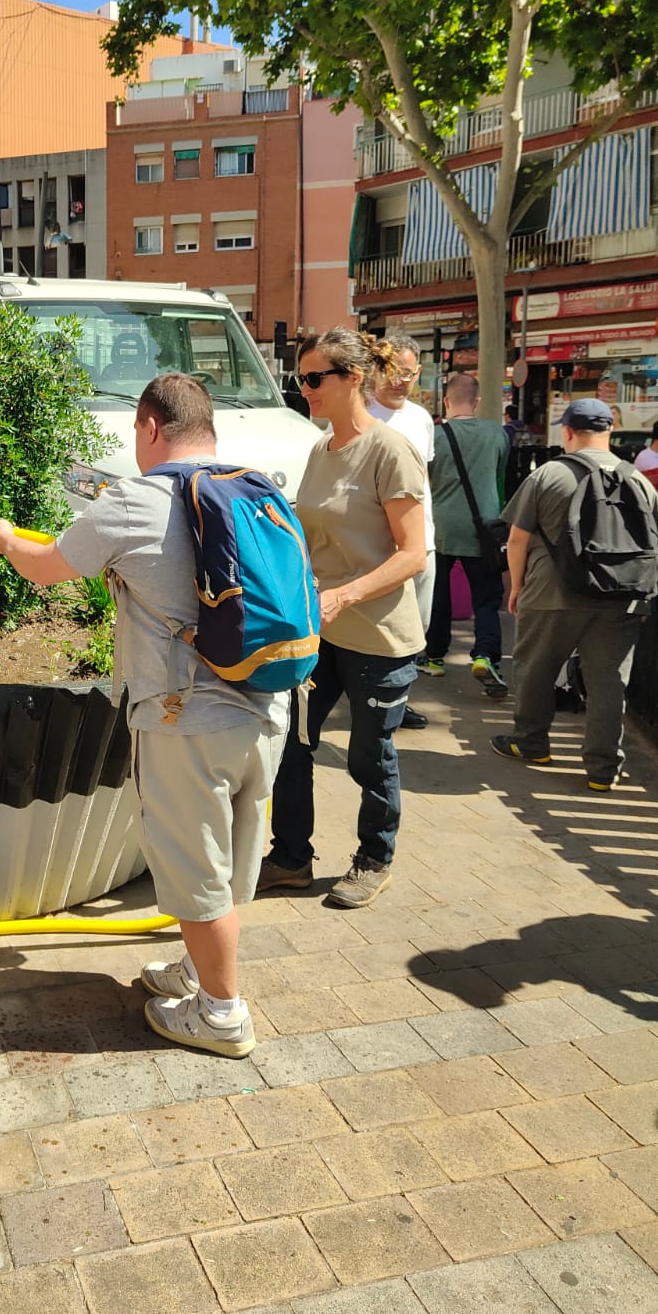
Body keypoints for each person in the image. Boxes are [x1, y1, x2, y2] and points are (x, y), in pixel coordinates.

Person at [0, 373, 289, 1058]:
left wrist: (5, 540)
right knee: (226, 863)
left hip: (189, 721)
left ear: (151, 427)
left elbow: (45, 567)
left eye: (136, 433)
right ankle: (199, 971)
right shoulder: (256, 487)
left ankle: (221, 1014)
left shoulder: (135, 500)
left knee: (196, 871)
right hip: (267, 706)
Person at [260, 328, 427, 908]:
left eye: (314, 378)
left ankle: (374, 859)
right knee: (291, 743)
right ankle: (290, 859)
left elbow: (413, 554)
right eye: (299, 378)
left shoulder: (389, 451)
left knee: (369, 756)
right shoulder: (320, 448)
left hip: (378, 636)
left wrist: (343, 596)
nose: (304, 388)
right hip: (319, 629)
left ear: (353, 378)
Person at [492, 398, 658, 790]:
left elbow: (517, 538)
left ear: (569, 431)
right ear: (610, 431)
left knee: (536, 669)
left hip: (551, 594)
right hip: (621, 596)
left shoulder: (549, 474)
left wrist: (517, 586)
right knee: (608, 681)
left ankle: (531, 743)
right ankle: (603, 770)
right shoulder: (637, 478)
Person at [419, 372, 510, 696]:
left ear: (446, 401)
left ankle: (434, 657)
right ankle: (485, 656)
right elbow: (499, 476)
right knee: (486, 598)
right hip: (483, 529)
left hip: (441, 527)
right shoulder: (497, 433)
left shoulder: (435, 436)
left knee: (438, 595)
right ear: (477, 402)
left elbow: (425, 480)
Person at [367, 330, 435, 731]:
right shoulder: (361, 417)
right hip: (377, 548)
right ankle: (370, 700)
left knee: (415, 630)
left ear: (418, 373)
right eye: (391, 371)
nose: (398, 381)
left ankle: (399, 700)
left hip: (422, 544)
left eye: (406, 373)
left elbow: (423, 480)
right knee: (376, 634)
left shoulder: (422, 419)